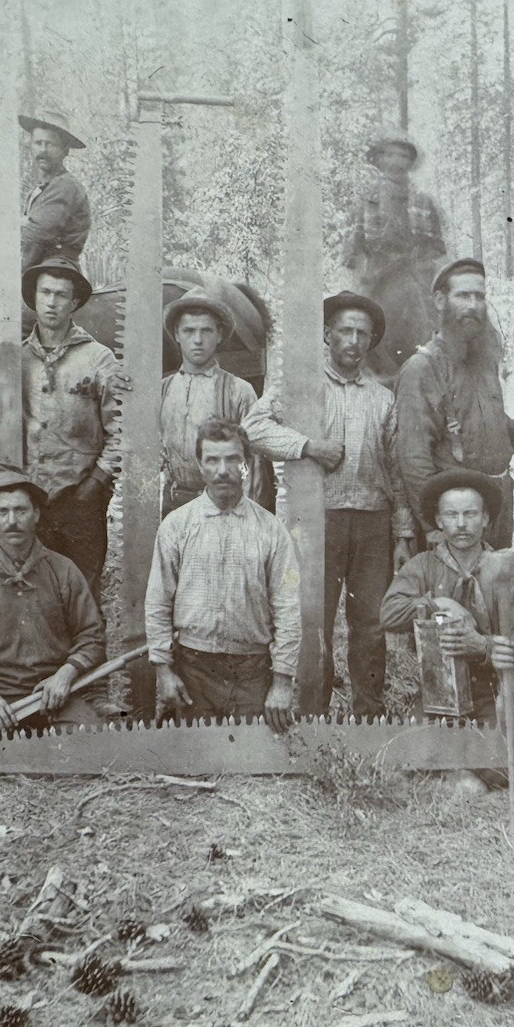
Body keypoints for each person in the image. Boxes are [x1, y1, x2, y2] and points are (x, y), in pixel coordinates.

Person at [245, 292, 416, 715]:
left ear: (371, 341)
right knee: (312, 621)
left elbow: (396, 470)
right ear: (326, 335)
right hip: (316, 521)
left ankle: (368, 714)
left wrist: (402, 533)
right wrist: (307, 446)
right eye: (345, 331)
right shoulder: (300, 388)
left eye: (362, 333)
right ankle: (311, 713)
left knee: (370, 624)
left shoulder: (382, 399)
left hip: (373, 524)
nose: (353, 341)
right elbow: (253, 428)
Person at [380, 469, 514, 794]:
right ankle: (453, 774)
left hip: (490, 694)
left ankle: (462, 773)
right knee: (407, 759)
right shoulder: (423, 566)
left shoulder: (505, 572)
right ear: (439, 521)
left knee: (506, 770)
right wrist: (437, 603)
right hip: (435, 696)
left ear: (486, 519)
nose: (461, 524)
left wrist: (482, 645)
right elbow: (388, 614)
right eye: (452, 515)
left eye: (470, 514)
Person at [145, 420, 300, 733]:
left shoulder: (272, 531)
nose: (223, 471)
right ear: (200, 465)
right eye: (212, 460)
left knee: (251, 754)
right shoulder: (176, 526)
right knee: (197, 753)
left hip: (251, 672)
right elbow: (158, 602)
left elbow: (288, 608)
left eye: (233, 460)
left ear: (247, 465)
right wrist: (163, 670)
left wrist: (282, 682)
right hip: (194, 670)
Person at [395, 259, 514, 549]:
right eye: (464, 295)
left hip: (497, 507)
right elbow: (414, 457)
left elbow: (492, 426)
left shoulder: (484, 362)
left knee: (496, 576)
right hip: (456, 519)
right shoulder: (423, 368)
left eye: (480, 296)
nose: (473, 305)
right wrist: (433, 527)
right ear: (440, 301)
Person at [0, 468, 106, 732]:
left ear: (35, 515)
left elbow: (92, 636)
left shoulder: (63, 570)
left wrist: (65, 675)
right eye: (3, 512)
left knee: (92, 742)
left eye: (21, 510)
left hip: (55, 693)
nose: (12, 521)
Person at [21, 257, 123, 594]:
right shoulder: (19, 360)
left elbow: (120, 432)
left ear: (74, 302)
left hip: (81, 500)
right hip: (32, 501)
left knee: (82, 595)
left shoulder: (98, 358)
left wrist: (94, 485)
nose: (51, 302)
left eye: (61, 295)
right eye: (45, 292)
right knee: (37, 595)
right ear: (34, 297)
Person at [342, 127, 447, 383]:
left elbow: (436, 245)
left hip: (414, 271)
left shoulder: (423, 201)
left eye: (402, 156)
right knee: (358, 322)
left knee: (436, 320)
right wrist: (360, 277)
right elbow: (354, 247)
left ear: (410, 162)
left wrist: (422, 262)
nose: (396, 161)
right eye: (389, 155)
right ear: (379, 161)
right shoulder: (367, 200)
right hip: (377, 271)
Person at [160, 288, 262, 512]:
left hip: (223, 506)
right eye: (189, 331)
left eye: (206, 331)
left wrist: (244, 513)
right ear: (176, 334)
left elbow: (251, 464)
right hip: (173, 505)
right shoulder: (162, 390)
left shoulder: (238, 391)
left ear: (219, 335)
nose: (197, 340)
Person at [19, 109, 91, 272]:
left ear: (65, 150)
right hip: (40, 268)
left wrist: (15, 275)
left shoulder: (66, 186)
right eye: (38, 143)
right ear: (31, 146)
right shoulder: (42, 188)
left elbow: (36, 238)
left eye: (50, 144)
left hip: (55, 273)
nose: (43, 150)